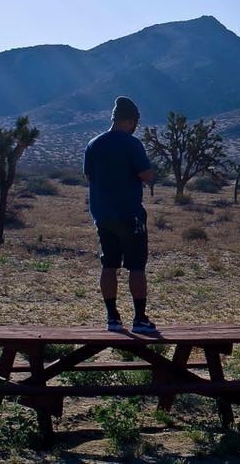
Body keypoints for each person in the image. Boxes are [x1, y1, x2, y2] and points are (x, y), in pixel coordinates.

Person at [83, 96, 156, 333]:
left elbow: (88, 177)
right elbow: (146, 175)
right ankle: (140, 318)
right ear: (132, 120)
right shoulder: (131, 144)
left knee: (109, 264)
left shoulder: (94, 144)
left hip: (103, 215)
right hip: (130, 214)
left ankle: (112, 317)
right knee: (136, 267)